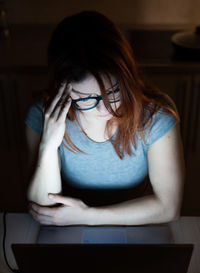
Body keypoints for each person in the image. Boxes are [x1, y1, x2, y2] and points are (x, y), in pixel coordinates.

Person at [25, 10, 185, 226]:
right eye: (87, 98)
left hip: (138, 229)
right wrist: (48, 145)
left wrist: (89, 216)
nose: (104, 107)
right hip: (66, 231)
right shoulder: (43, 115)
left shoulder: (155, 118)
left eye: (112, 92)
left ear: (127, 77)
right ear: (63, 89)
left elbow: (169, 207)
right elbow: (45, 209)